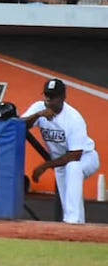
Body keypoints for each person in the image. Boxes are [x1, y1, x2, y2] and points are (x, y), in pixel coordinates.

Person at [23, 78, 100, 225]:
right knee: (68, 202)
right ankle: (76, 227)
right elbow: (19, 125)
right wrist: (38, 115)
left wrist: (45, 166)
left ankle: (73, 222)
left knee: (73, 168)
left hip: (86, 157)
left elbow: (75, 155)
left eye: (53, 96)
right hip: (60, 162)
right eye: (46, 95)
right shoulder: (39, 107)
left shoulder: (73, 118)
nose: (48, 99)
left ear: (63, 97)